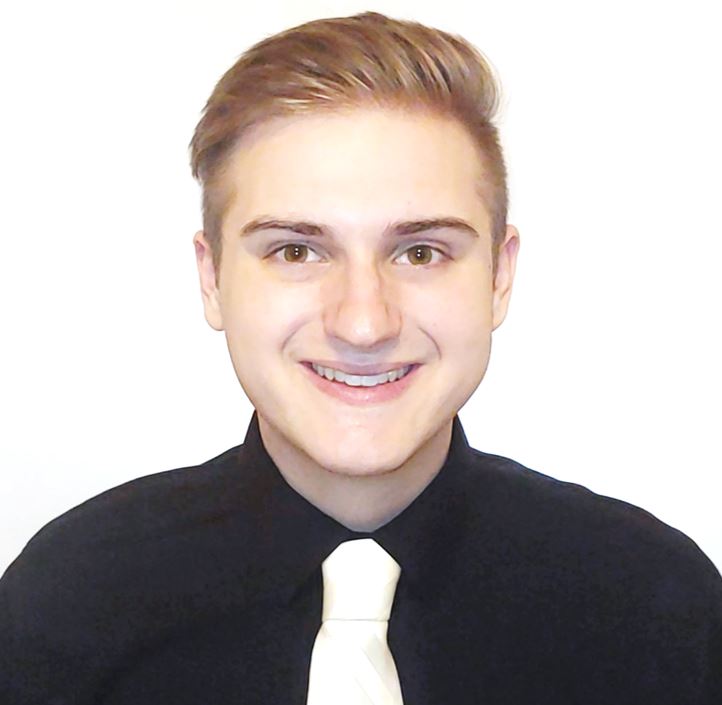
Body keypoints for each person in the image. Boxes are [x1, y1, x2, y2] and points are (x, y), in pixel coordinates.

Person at [1, 10, 720, 705]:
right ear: (212, 278)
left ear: (499, 277)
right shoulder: (60, 606)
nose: (364, 322)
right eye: (296, 251)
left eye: (420, 252)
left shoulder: (663, 610)